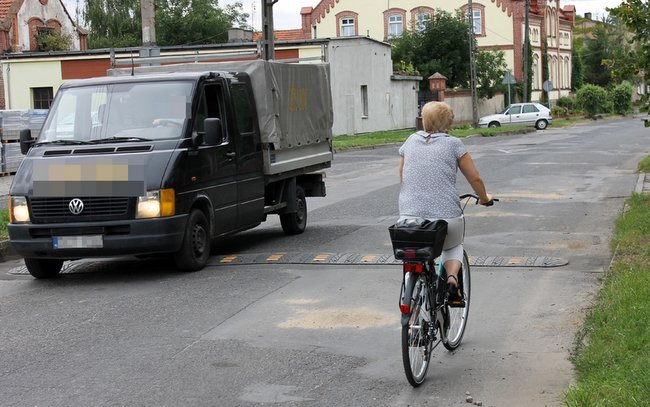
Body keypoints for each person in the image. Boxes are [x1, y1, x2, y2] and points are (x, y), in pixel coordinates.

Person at [398, 101, 494, 304]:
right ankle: (452, 280)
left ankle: (412, 294)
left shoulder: (410, 141)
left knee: (415, 251)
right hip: (446, 217)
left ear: (424, 120)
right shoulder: (454, 144)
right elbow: (474, 179)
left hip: (409, 217)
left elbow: (402, 177)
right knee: (453, 245)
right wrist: (484, 198)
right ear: (448, 123)